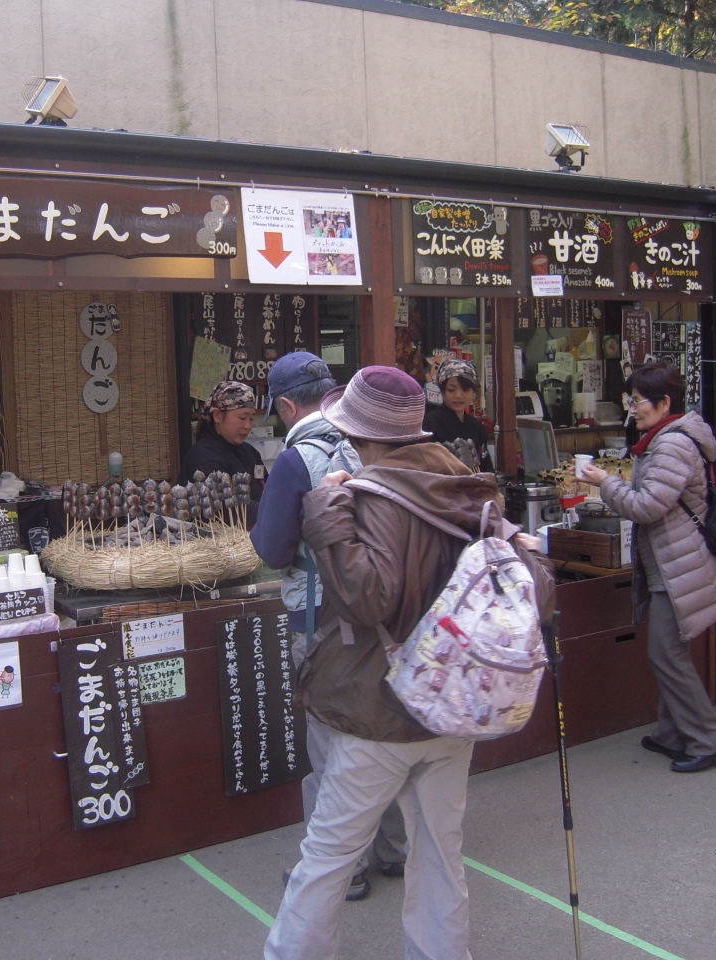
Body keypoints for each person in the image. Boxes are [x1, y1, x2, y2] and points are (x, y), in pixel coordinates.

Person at [264, 366, 521, 960]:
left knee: (328, 855)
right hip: (451, 698)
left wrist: (326, 513)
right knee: (440, 854)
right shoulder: (465, 483)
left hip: (382, 706)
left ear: (361, 434)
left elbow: (367, 599)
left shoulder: (375, 494)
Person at [250, 353, 407, 902]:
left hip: (321, 617)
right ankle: (394, 849)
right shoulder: (375, 443)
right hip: (383, 610)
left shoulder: (297, 460)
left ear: (285, 406)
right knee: (381, 729)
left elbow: (274, 549)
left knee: (331, 741)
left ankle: (342, 868)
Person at [579, 360, 716, 773]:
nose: (633, 410)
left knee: (665, 651)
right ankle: (672, 733)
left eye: (637, 401)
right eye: (630, 401)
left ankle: (707, 740)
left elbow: (647, 506)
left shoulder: (672, 444)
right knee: (669, 649)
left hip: (678, 562)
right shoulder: (665, 438)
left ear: (664, 403)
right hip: (672, 559)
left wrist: (606, 483)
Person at [178, 380, 265, 523]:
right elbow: (224, 510)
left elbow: (267, 488)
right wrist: (270, 512)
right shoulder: (203, 456)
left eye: (251, 418)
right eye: (242, 418)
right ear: (218, 416)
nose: (248, 425)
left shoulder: (250, 452)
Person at [422, 358, 494, 471]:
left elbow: (486, 468)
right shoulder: (430, 423)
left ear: (473, 392)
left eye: (465, 390)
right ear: (442, 391)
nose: (458, 396)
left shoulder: (477, 427)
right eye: (451, 390)